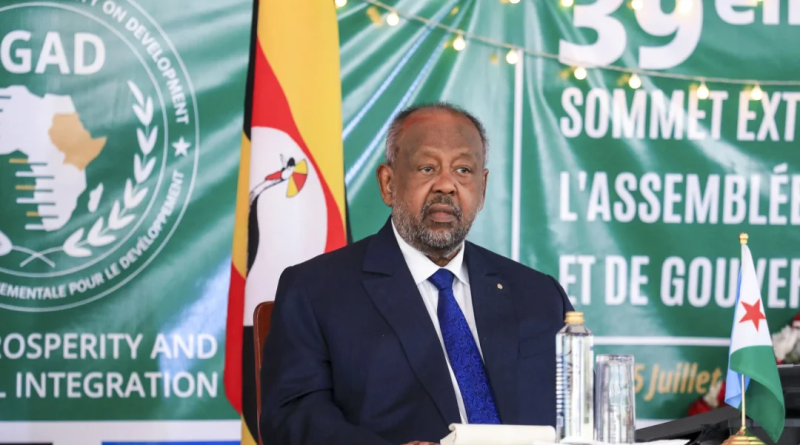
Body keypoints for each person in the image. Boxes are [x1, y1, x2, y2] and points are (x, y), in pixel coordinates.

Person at [259, 103, 574, 445]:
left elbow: (578, 415)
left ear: (482, 187)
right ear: (388, 183)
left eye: (463, 170)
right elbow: (291, 417)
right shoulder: (316, 290)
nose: (446, 185)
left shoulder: (540, 295)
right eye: (427, 168)